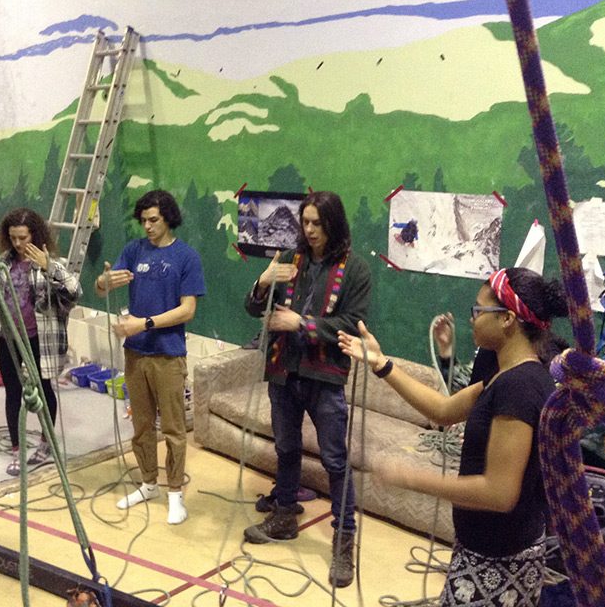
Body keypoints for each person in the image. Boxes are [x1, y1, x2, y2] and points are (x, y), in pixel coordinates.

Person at [338, 267, 568, 606]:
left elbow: (499, 493)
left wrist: (411, 478)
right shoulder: (505, 375)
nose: (472, 318)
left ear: (507, 319)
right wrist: (380, 363)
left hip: (499, 562)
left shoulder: (520, 387)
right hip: (483, 551)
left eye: (478, 310)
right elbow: (443, 410)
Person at [242, 190, 371, 589]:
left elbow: (352, 325)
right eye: (306, 222)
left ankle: (344, 538)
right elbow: (253, 309)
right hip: (283, 372)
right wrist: (263, 282)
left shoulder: (356, 271)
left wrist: (301, 324)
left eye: (318, 223)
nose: (310, 230)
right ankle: (284, 516)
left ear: (334, 224)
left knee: (335, 460)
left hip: (325, 377)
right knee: (285, 448)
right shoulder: (290, 264)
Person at [96, 189, 205, 525]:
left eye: (153, 220)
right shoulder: (134, 250)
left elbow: (187, 310)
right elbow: (102, 287)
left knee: (172, 428)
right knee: (141, 425)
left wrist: (143, 324)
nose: (147, 226)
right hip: (136, 354)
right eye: (143, 220)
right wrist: (105, 281)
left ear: (168, 218)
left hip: (168, 355)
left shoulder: (186, 257)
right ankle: (147, 483)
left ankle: (175, 493)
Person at [0, 207, 81, 477]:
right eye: (13, 238)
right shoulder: (2, 265)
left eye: (23, 237)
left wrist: (49, 267)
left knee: (43, 390)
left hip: (38, 341)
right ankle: (17, 451)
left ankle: (46, 445)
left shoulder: (51, 263)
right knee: (12, 393)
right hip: (9, 338)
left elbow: (74, 292)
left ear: (35, 234)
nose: (18, 244)